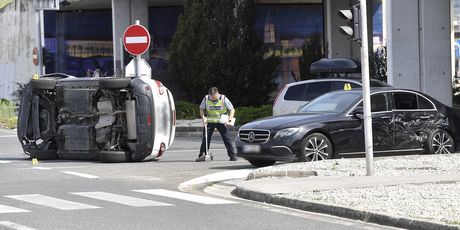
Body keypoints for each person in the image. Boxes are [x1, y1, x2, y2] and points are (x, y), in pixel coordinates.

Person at [196, 87, 237, 162]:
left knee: (226, 138)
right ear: (210, 95)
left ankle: (232, 155)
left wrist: (229, 120)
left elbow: (232, 109)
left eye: (215, 97)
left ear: (218, 93)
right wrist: (203, 118)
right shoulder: (206, 98)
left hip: (221, 122)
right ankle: (202, 155)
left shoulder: (223, 98)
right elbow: (201, 109)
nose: (214, 99)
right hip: (210, 121)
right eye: (212, 97)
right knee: (205, 139)